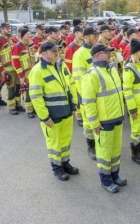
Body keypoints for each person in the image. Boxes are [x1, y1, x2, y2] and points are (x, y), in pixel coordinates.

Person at [29, 41, 79, 181]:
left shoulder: (61, 65)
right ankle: (57, 168)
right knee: (54, 143)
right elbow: (36, 96)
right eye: (53, 51)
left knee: (65, 140)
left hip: (66, 111)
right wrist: (44, 117)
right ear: (43, 54)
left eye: (57, 50)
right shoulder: (37, 71)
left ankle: (65, 163)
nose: (57, 53)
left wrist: (74, 105)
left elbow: (71, 84)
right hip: (52, 115)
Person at [81, 43, 126, 193]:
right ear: (98, 55)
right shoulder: (91, 74)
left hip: (117, 117)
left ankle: (115, 176)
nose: (110, 54)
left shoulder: (112, 69)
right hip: (104, 121)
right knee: (104, 153)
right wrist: (94, 122)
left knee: (115, 150)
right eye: (106, 52)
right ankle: (106, 181)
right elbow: (88, 101)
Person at [72, 27, 99, 158]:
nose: (97, 37)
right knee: (89, 123)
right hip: (87, 96)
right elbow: (78, 79)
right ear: (86, 37)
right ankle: (91, 147)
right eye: (95, 35)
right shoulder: (79, 54)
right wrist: (86, 97)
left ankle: (100, 144)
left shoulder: (98, 50)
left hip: (100, 94)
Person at [0, 22, 24, 115]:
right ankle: (11, 106)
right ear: (2, 29)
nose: (9, 30)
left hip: (17, 67)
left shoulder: (14, 39)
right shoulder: (0, 40)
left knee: (18, 86)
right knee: (10, 88)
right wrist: (1, 70)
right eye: (7, 29)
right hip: (7, 68)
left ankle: (18, 104)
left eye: (9, 28)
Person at [11, 28, 36, 118]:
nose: (29, 35)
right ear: (22, 36)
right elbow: (15, 62)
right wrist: (21, 75)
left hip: (33, 72)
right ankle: (29, 110)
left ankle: (34, 108)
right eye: (27, 34)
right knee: (27, 92)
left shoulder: (31, 44)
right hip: (25, 73)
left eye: (30, 34)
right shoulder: (17, 46)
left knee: (35, 91)